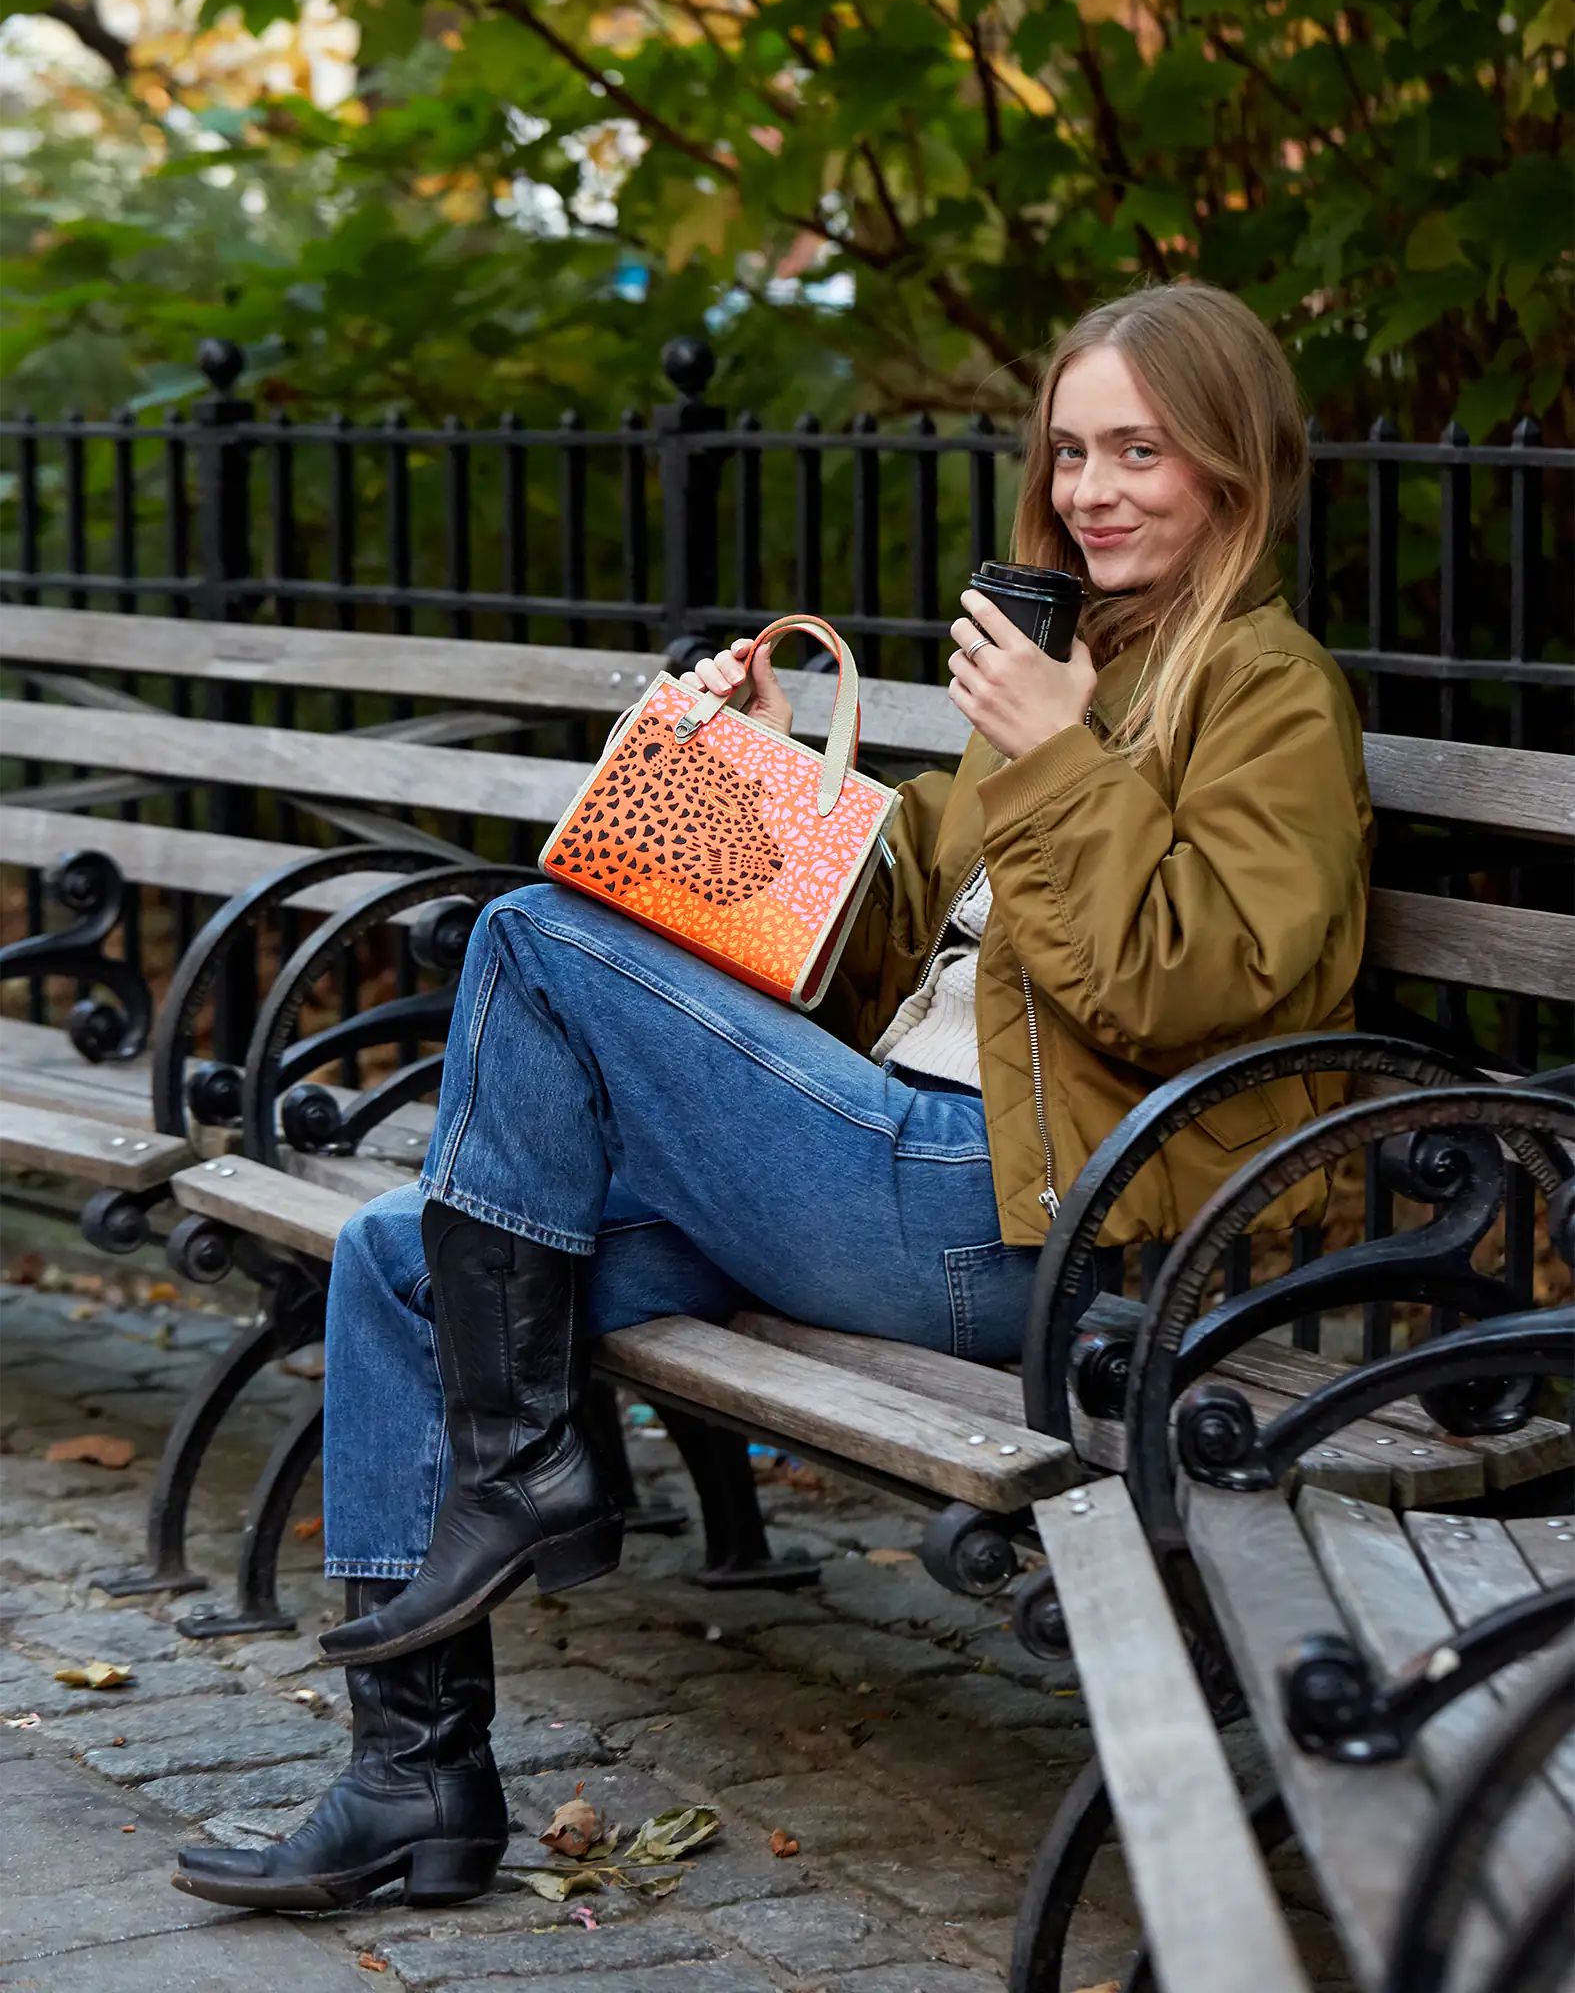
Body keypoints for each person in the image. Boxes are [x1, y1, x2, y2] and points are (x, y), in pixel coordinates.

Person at [173, 279, 1372, 1912]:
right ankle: (414, 1780)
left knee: (532, 938)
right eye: (1070, 452)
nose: (1091, 490)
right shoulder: (1070, 678)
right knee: (406, 1249)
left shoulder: (1267, 691)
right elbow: (872, 956)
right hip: (879, 1166)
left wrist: (1058, 761)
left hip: (1019, 1218)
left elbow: (1190, 989)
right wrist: (764, 770)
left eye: (1139, 452)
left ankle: (531, 1465)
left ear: (1233, 463)